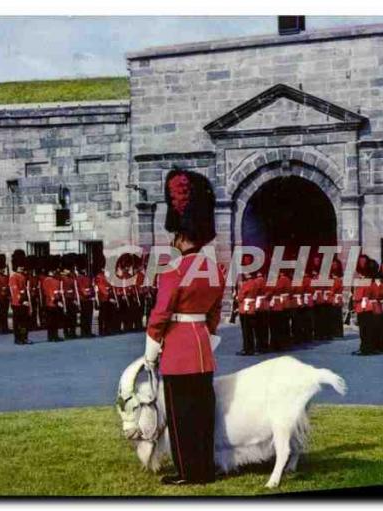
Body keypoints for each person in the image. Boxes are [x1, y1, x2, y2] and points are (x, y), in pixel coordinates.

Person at [143, 168, 225, 485]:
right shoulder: (214, 269)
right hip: (203, 347)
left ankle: (188, 472)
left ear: (180, 235)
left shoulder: (174, 269)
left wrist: (151, 351)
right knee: (203, 413)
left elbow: (161, 313)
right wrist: (209, 337)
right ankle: (205, 468)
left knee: (180, 416)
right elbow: (215, 313)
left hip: (178, 350)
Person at [9, 249, 32, 345]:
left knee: (25, 322)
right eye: (19, 265)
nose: (21, 267)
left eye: (22, 265)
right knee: (18, 322)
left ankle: (24, 337)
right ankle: (18, 338)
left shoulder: (24, 276)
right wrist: (22, 300)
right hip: (17, 303)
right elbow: (15, 291)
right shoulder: (13, 277)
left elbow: (26, 289)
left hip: (25, 301)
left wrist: (27, 300)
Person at [235, 266, 257, 356]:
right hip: (252, 308)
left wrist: (236, 297)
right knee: (251, 330)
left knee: (246, 331)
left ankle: (247, 349)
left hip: (245, 309)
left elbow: (240, 297)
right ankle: (251, 348)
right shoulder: (255, 283)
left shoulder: (247, 284)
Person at [42, 255, 63, 342]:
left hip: (56, 303)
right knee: (51, 322)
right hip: (51, 303)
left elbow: (57, 290)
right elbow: (49, 292)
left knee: (55, 321)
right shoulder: (47, 280)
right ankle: (51, 336)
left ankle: (55, 335)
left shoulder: (55, 279)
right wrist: (56, 300)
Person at [59, 253, 78, 340]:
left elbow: (74, 288)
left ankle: (72, 332)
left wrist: (74, 298)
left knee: (73, 317)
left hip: (71, 299)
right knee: (66, 318)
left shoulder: (72, 276)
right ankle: (66, 333)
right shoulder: (61, 277)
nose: (69, 270)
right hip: (65, 299)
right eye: (68, 269)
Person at [77, 253, 96, 338]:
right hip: (83, 299)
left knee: (89, 316)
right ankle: (84, 332)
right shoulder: (79, 278)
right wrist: (89, 294)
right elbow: (82, 289)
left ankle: (88, 331)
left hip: (89, 299)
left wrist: (92, 293)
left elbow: (91, 287)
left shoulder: (87, 277)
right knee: (84, 317)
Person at [0, 254, 11, 334]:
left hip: (6, 297)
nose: (3, 270)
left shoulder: (7, 277)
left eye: (3, 268)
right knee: (0, 313)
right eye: (1, 268)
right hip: (0, 297)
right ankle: (1, 327)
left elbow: (8, 286)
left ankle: (5, 327)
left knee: (5, 313)